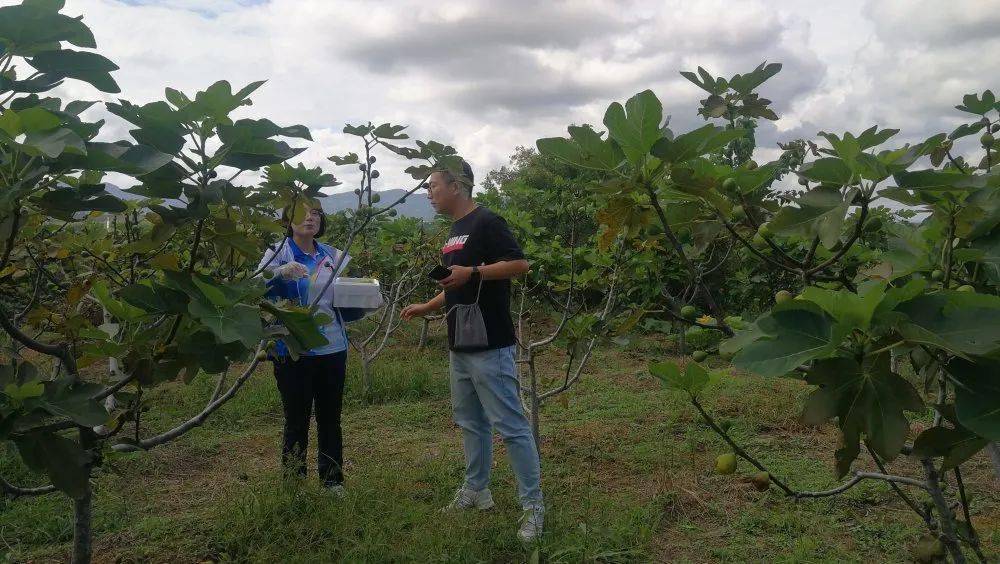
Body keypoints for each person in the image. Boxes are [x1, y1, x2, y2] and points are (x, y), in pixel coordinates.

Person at [401, 161, 544, 543]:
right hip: (460, 341)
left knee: (510, 425)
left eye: (432, 186)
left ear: (457, 185)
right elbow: (455, 283)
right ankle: (477, 489)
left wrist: (476, 272)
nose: (428, 193)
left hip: (490, 341)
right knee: (470, 421)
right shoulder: (454, 231)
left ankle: (533, 506)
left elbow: (520, 264)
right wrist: (428, 307)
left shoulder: (487, 221)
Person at [257, 206, 366, 495]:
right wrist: (278, 272)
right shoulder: (279, 251)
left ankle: (332, 482)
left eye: (316, 213)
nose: (310, 218)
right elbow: (255, 284)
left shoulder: (331, 255)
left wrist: (363, 298)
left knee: (331, 417)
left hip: (332, 347)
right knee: (296, 418)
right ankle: (294, 484)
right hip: (293, 348)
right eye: (302, 213)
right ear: (287, 221)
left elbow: (342, 297)